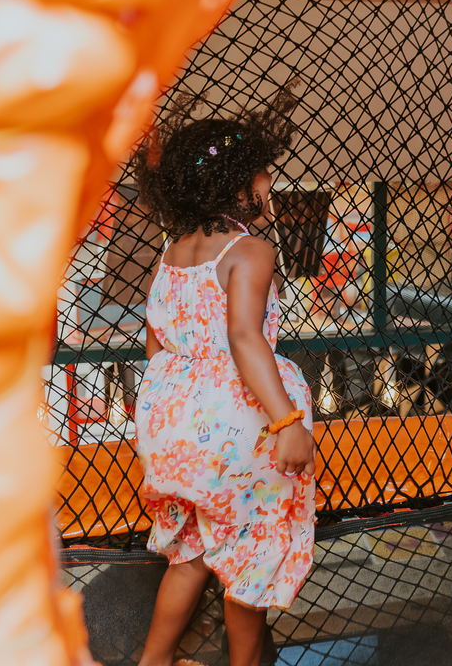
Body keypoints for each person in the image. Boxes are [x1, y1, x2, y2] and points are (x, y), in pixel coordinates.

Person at [130, 88, 317, 666]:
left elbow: (156, 340)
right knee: (250, 557)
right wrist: (286, 420)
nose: (269, 185)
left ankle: (154, 660)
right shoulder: (250, 249)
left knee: (189, 554)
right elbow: (243, 338)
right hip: (237, 424)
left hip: (168, 423)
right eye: (263, 175)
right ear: (238, 185)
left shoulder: (173, 251)